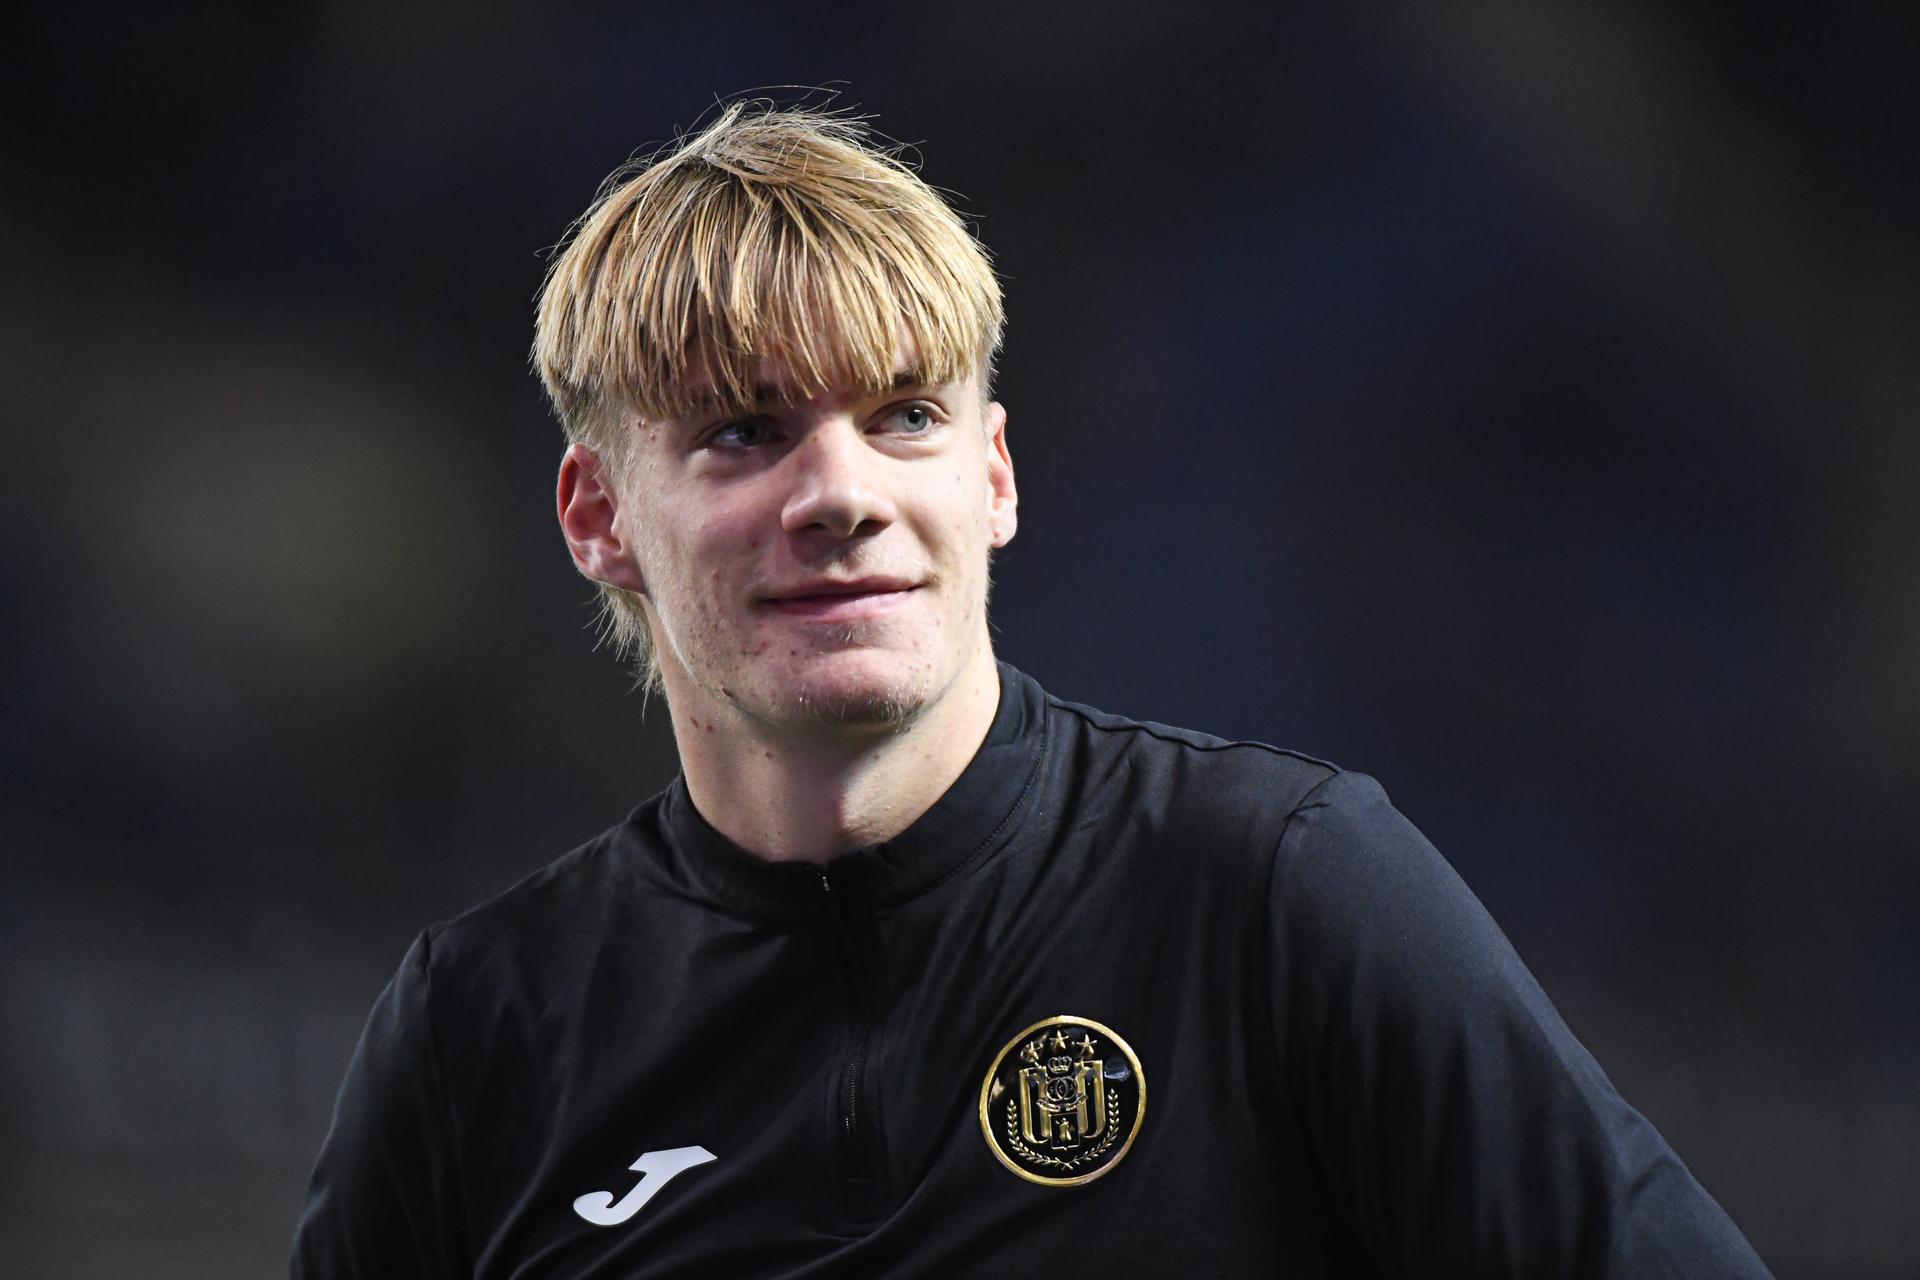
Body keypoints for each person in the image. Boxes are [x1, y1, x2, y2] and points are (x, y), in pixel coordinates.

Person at [292, 103, 1772, 1277]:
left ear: (992, 477)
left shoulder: (1278, 895)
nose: (844, 494)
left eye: (906, 417)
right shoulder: (478, 1034)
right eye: (745, 433)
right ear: (597, 513)